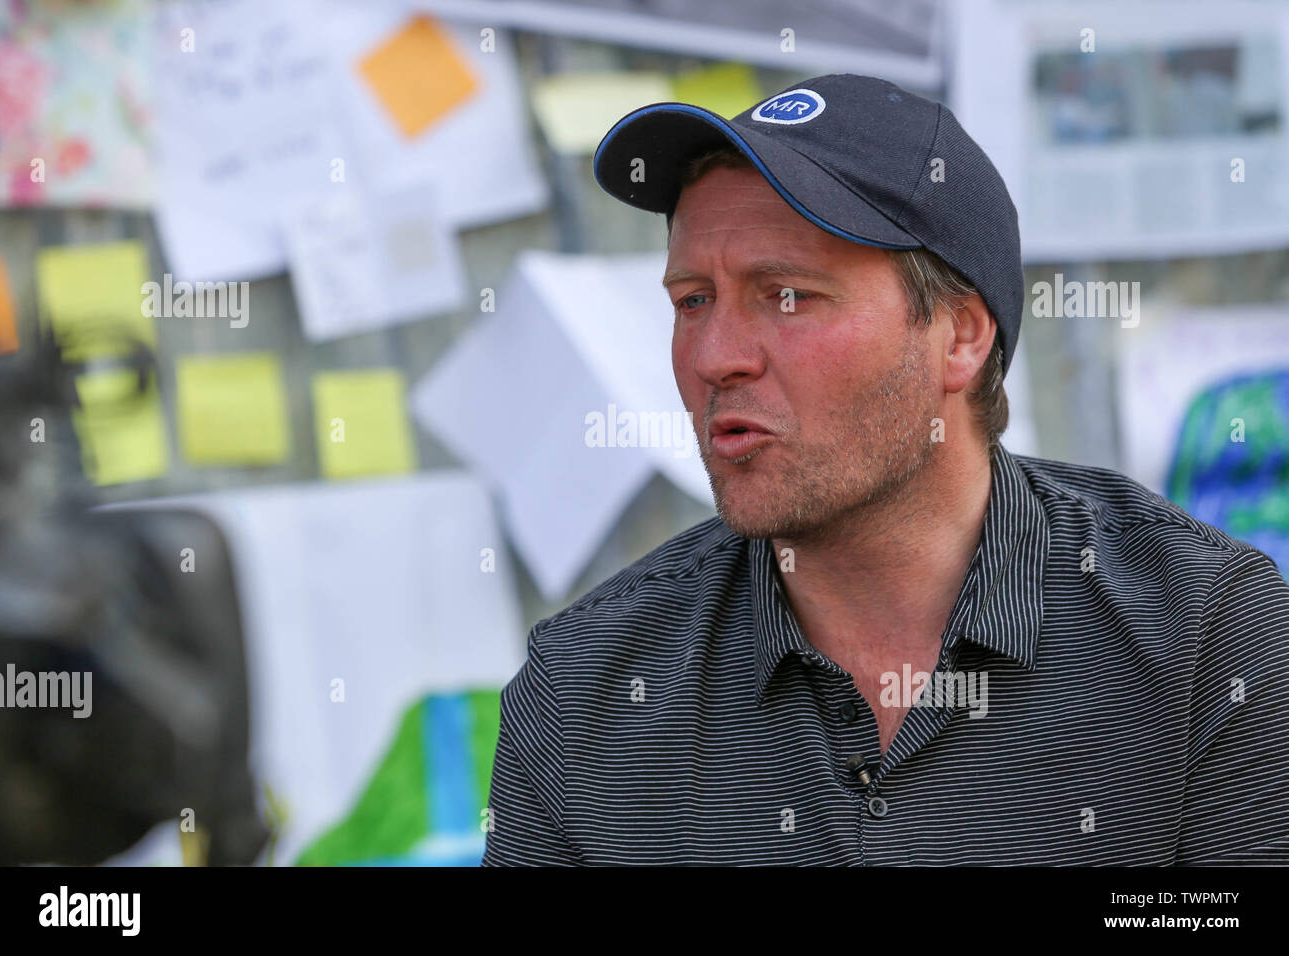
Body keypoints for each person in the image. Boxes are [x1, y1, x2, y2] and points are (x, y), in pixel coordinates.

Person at [482, 74, 1289, 865]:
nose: (715, 357)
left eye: (787, 295)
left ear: (961, 337)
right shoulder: (588, 696)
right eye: (693, 300)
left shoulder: (1204, 638)